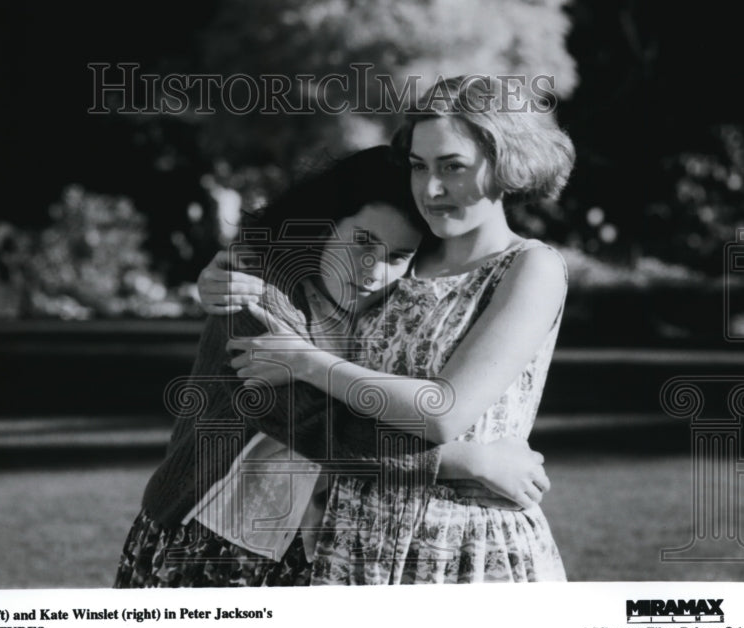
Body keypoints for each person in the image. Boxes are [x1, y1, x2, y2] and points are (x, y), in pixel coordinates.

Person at [114, 144, 550, 588]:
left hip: (318, 554)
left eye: (397, 256)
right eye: (363, 241)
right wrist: (465, 461)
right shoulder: (253, 290)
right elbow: (308, 423)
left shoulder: (394, 308)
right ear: (325, 224)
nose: (372, 270)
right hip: (211, 535)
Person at [224, 75, 574, 583]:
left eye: (452, 167)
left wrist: (305, 361)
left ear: (508, 164)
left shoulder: (530, 267)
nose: (429, 190)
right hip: (351, 541)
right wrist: (225, 269)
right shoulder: (402, 256)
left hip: (459, 546)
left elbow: (444, 412)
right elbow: (291, 256)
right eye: (418, 166)